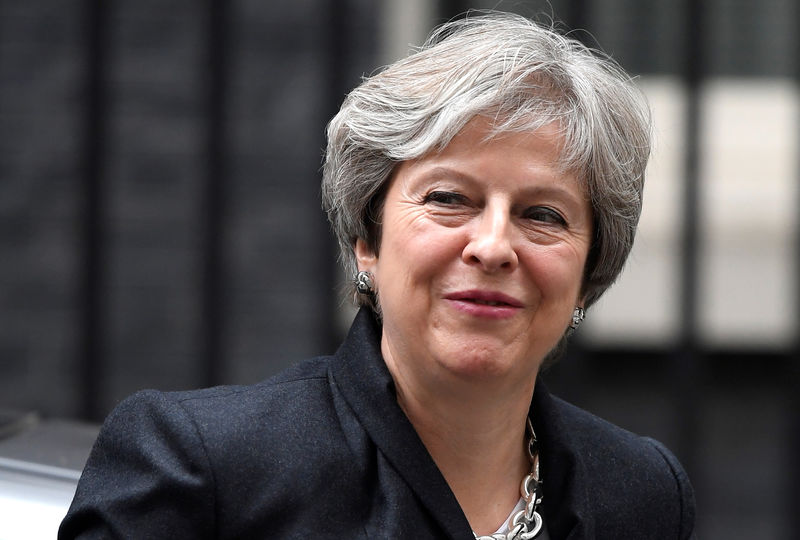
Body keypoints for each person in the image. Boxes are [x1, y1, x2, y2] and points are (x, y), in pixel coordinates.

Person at [59, 11, 695, 539]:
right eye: (449, 198)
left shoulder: (641, 495)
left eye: (543, 214)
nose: (494, 246)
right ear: (368, 239)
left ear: (588, 273)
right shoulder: (202, 468)